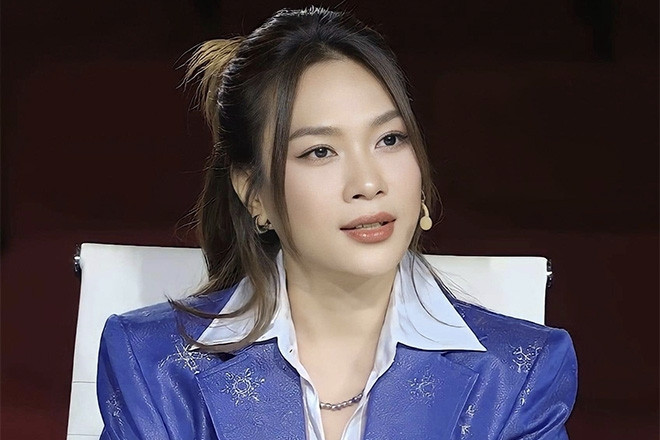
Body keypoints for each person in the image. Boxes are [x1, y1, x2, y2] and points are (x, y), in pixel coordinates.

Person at [96, 6, 577, 440]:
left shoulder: (517, 375)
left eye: (389, 139)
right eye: (320, 151)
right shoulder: (153, 365)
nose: (368, 183)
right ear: (254, 194)